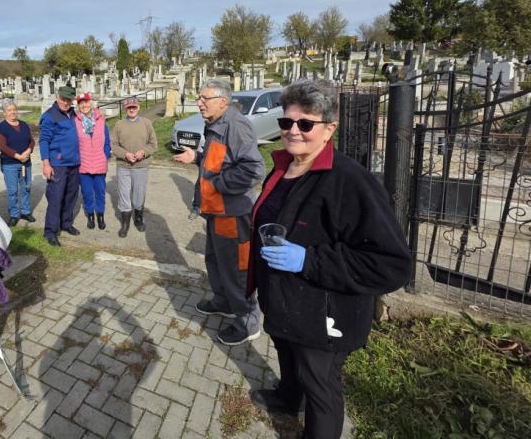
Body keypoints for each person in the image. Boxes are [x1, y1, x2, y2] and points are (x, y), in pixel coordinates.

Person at [246, 79, 411, 439]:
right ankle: (288, 397)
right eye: (286, 122)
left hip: (322, 312)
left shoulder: (349, 181)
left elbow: (391, 264)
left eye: (306, 124)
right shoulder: (283, 166)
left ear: (329, 128)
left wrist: (308, 260)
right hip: (283, 301)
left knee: (320, 387)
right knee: (286, 354)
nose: (293, 131)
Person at [174, 78, 264, 346]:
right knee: (214, 259)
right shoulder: (214, 124)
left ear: (222, 102)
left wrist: (216, 184)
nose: (199, 103)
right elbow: (220, 160)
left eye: (204, 99)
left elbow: (253, 170)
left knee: (236, 268)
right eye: (198, 98)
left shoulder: (236, 126)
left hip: (232, 214)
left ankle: (248, 323)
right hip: (215, 211)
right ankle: (224, 301)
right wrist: (197, 158)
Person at [39, 85, 81, 246]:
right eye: (63, 99)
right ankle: (50, 231)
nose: (66, 102)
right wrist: (46, 164)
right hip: (58, 164)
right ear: (58, 98)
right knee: (56, 197)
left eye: (69, 100)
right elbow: (44, 141)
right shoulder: (50, 116)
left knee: (71, 195)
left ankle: (66, 223)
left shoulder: (72, 114)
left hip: (74, 163)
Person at [111, 96, 157, 237]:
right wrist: (125, 154)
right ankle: (125, 224)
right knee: (124, 194)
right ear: (125, 109)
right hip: (124, 166)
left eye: (134, 107)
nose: (132, 109)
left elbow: (153, 144)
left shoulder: (146, 123)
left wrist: (143, 152)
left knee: (139, 194)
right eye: (129, 107)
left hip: (141, 166)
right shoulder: (119, 125)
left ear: (138, 107)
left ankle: (138, 218)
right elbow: (113, 145)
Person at [0, 98, 35, 227]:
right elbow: (3, 146)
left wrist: (28, 151)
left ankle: (26, 211)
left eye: (14, 109)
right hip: (10, 164)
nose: (12, 112)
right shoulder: (1, 127)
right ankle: (13, 214)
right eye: (9, 110)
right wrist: (18, 156)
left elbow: (32, 141)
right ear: (4, 113)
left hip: (26, 163)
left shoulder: (23, 124)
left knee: (26, 188)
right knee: (12, 191)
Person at [74, 92, 111, 230]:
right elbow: (73, 142)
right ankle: (90, 215)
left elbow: (107, 141)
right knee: (87, 193)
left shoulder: (101, 120)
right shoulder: (75, 121)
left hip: (99, 162)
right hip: (83, 164)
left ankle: (100, 215)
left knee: (100, 192)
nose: (84, 105)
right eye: (81, 103)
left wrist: (105, 155)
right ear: (78, 106)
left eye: (86, 102)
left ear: (91, 103)